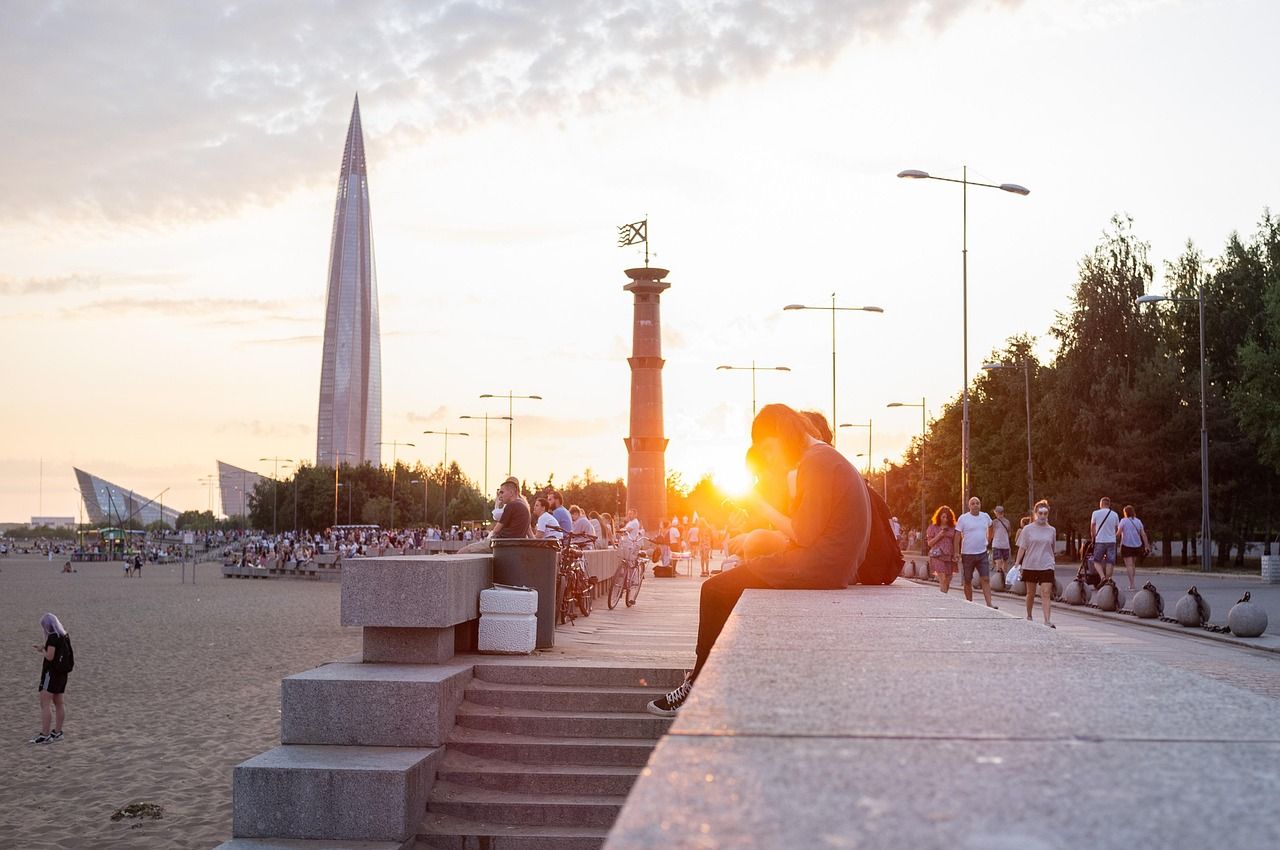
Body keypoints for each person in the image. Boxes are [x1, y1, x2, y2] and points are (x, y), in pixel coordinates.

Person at [647, 404, 871, 717]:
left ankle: (698, 683)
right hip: (831, 564)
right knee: (733, 582)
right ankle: (712, 675)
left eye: (768, 448)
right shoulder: (826, 456)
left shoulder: (815, 461)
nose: (769, 458)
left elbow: (803, 534)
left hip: (818, 566)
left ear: (782, 434)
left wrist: (760, 504)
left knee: (714, 590)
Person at [1013, 500, 1057, 628]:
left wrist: (1053, 562)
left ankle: (1047, 620)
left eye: (1045, 513)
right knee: (1030, 593)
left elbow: (1052, 548)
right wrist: (1017, 563)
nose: (1043, 516)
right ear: (1036, 513)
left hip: (1046, 564)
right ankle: (1029, 615)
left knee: (1046, 592)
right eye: (1040, 513)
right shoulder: (1027, 529)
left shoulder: (1052, 530)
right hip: (1031, 564)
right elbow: (1022, 547)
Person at [31, 613, 70, 744]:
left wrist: (42, 651)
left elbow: (50, 656)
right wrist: (44, 647)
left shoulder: (53, 637)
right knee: (59, 702)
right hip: (62, 673)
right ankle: (58, 732)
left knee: (45, 703)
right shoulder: (64, 635)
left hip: (51, 673)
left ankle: (45, 734)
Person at [955, 497, 997, 608]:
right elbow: (957, 535)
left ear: (980, 505)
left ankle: (989, 604)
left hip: (982, 553)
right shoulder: (963, 518)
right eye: (973, 503)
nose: (975, 505)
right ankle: (969, 603)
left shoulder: (985, 516)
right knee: (968, 579)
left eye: (977, 503)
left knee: (985, 578)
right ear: (969, 506)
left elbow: (991, 526)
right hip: (967, 554)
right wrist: (956, 552)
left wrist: (989, 539)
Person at [1118, 505, 1151, 591]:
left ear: (1125, 513)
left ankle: (1132, 584)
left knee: (1129, 565)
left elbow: (1119, 533)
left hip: (1126, 545)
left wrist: (1112, 537)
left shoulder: (1123, 521)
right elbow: (1143, 534)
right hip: (1137, 545)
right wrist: (1146, 545)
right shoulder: (1138, 521)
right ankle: (1132, 582)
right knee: (1133, 564)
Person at [926, 506, 958, 592]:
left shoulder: (953, 528)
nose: (945, 519)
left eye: (947, 517)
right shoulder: (933, 527)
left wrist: (956, 554)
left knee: (948, 579)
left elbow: (956, 542)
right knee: (942, 579)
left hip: (949, 556)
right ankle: (944, 597)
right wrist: (940, 535)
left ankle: (944, 594)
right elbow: (930, 543)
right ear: (939, 517)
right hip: (937, 555)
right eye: (943, 517)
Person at [1090, 497, 1120, 584]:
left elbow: (1092, 527)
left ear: (1101, 504)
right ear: (1109, 504)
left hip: (1100, 540)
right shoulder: (1114, 514)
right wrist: (1114, 536)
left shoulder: (1095, 513)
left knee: (1096, 561)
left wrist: (1093, 537)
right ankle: (1108, 580)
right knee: (1110, 561)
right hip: (1111, 541)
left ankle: (1102, 577)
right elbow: (1117, 528)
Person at [990, 505, 1013, 577]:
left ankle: (999, 576)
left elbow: (991, 533)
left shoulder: (994, 522)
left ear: (996, 512)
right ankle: (1004, 576)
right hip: (1005, 544)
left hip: (996, 544)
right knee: (1005, 561)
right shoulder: (1007, 522)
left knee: (998, 560)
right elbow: (1009, 533)